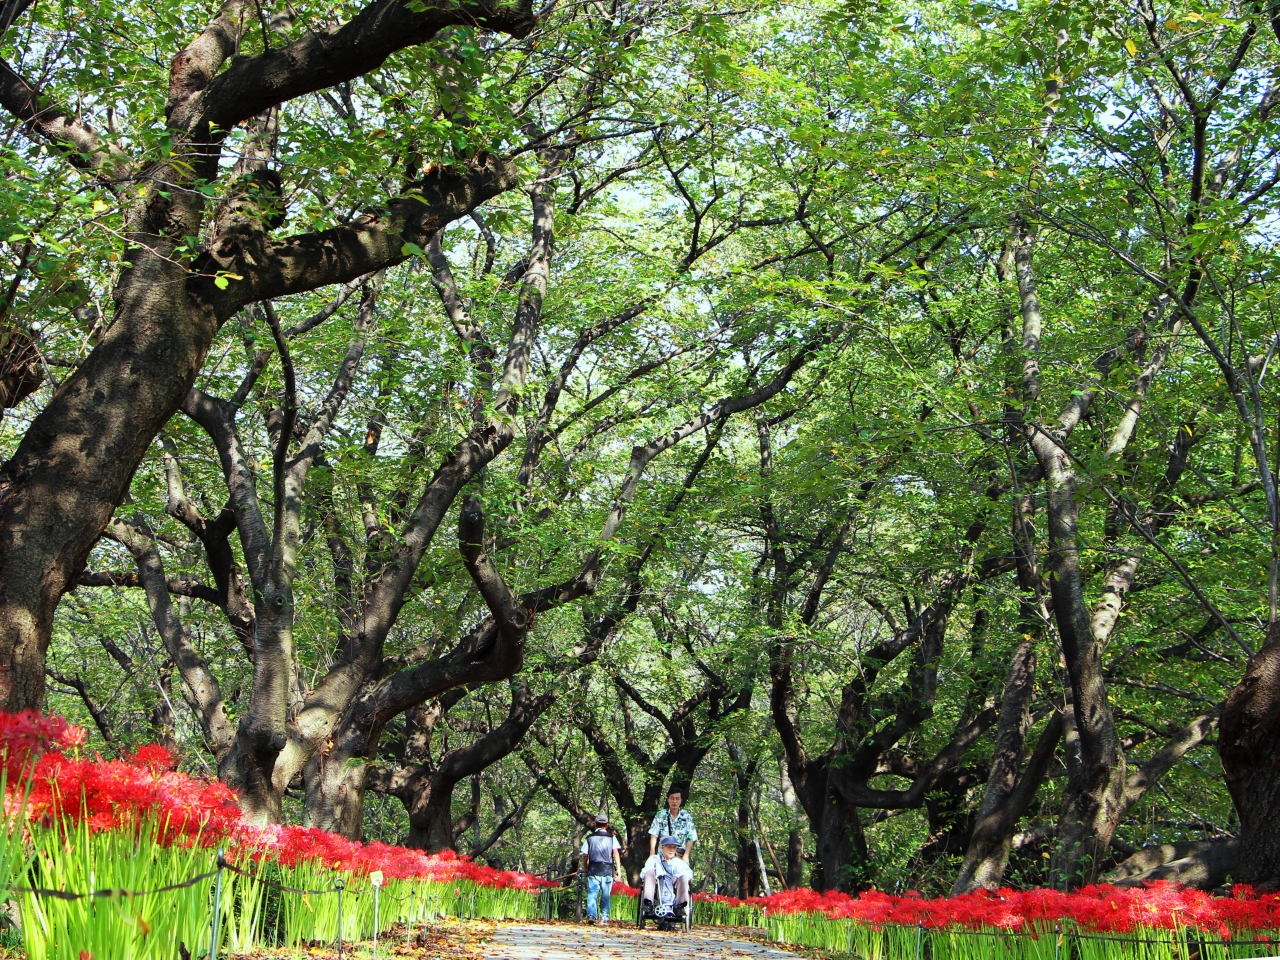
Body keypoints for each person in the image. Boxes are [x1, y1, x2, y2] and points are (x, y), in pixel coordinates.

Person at [640, 836, 693, 930]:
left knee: (684, 877)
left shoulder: (679, 863)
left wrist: (677, 876)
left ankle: (680, 907)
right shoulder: (654, 859)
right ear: (662, 847)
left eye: (673, 847)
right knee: (649, 872)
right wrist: (656, 873)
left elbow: (689, 874)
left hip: (674, 888)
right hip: (657, 887)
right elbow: (643, 873)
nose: (671, 849)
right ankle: (648, 904)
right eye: (668, 846)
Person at [579, 813, 623, 925]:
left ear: (595, 823)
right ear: (607, 825)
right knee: (606, 894)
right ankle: (604, 917)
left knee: (592, 893)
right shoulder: (612, 838)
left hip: (593, 868)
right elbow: (615, 853)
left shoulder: (589, 838)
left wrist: (586, 867)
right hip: (607, 869)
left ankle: (591, 915)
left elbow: (585, 855)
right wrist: (618, 869)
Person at [648, 787, 697, 863]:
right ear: (668, 800)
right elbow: (654, 834)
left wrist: (686, 855)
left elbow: (691, 837)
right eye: (672, 798)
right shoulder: (661, 815)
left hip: (680, 855)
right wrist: (652, 853)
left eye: (677, 799)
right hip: (663, 855)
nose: (674, 801)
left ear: (681, 800)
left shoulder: (686, 816)